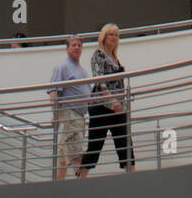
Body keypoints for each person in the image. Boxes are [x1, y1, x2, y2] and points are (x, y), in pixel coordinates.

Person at [80, 24, 134, 175]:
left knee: (126, 144)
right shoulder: (98, 55)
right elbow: (100, 82)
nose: (114, 38)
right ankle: (80, 179)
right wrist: (113, 101)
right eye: (111, 34)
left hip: (118, 109)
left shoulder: (116, 58)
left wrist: (120, 103)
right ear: (103, 37)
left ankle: (133, 179)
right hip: (101, 106)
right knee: (94, 147)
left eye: (116, 35)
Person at [48, 35, 91, 180]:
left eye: (79, 45)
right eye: (73, 45)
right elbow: (53, 91)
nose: (77, 47)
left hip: (79, 116)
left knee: (64, 152)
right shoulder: (63, 67)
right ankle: (81, 183)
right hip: (70, 114)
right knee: (75, 151)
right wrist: (55, 115)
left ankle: (58, 184)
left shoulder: (82, 71)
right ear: (67, 48)